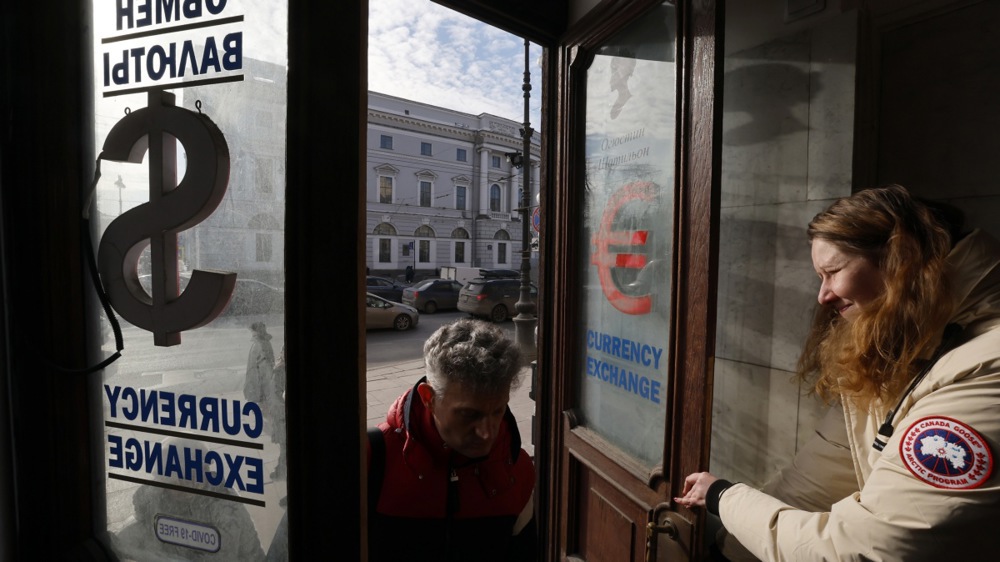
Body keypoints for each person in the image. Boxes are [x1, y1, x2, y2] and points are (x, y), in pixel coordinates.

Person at [676, 184, 1000, 560]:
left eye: (832, 272)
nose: (823, 295)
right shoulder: (908, 345)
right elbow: (814, 480)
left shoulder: (984, 368)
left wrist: (724, 497)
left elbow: (866, 548)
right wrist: (728, 552)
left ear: (902, 260)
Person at [367, 318, 536, 561]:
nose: (487, 433)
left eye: (498, 411)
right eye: (469, 414)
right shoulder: (372, 459)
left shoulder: (518, 469)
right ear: (429, 398)